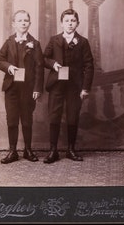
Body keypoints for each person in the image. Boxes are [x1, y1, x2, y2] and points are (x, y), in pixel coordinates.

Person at [43, 9, 94, 163]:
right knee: (54, 116)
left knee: (73, 117)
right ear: (61, 23)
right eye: (67, 21)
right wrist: (53, 64)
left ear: (77, 23)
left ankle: (71, 150)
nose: (70, 24)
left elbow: (89, 65)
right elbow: (44, 58)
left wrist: (85, 88)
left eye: (73, 21)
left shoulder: (83, 42)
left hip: (75, 86)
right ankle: (53, 151)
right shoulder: (54, 40)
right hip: (56, 85)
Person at [0, 10, 44, 164]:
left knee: (27, 120)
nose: (23, 23)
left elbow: (39, 67)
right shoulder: (9, 42)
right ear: (14, 24)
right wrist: (9, 67)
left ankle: (28, 150)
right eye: (20, 20)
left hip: (28, 88)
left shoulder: (35, 44)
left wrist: (37, 88)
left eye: (26, 20)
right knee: (11, 120)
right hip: (11, 88)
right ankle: (12, 151)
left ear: (29, 23)